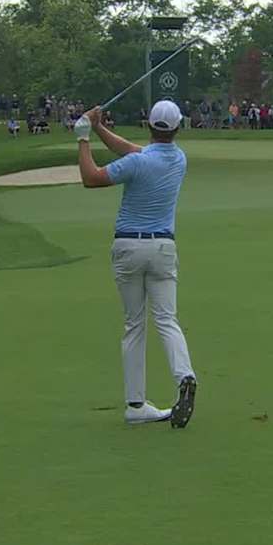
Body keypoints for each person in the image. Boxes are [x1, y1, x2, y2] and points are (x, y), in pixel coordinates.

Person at [75, 100, 198, 429]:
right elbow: (133, 151)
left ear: (148, 124)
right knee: (167, 319)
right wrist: (100, 128)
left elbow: (91, 178)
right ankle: (184, 375)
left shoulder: (137, 163)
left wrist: (83, 136)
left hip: (129, 246)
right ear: (177, 128)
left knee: (134, 325)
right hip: (163, 248)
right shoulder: (178, 159)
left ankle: (135, 404)